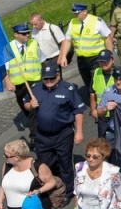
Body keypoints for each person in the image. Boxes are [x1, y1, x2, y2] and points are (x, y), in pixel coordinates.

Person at [24, 63, 86, 197]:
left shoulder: (68, 89)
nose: (49, 81)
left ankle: (68, 192)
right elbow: (26, 103)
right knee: (45, 164)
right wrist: (30, 105)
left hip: (63, 134)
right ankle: (49, 188)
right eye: (46, 79)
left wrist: (79, 131)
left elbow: (78, 111)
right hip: (42, 135)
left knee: (65, 164)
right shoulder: (35, 88)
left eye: (52, 78)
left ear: (58, 76)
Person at [62, 3, 113, 95]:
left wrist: (110, 55)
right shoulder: (72, 22)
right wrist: (63, 56)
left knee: (96, 82)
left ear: (85, 12)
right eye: (74, 13)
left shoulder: (97, 21)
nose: (75, 15)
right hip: (81, 59)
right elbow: (67, 40)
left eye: (78, 13)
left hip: (96, 58)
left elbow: (107, 38)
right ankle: (94, 103)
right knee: (88, 82)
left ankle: (100, 103)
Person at [3, 23, 42, 133]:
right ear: (16, 34)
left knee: (35, 106)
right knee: (26, 107)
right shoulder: (8, 48)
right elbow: (5, 67)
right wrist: (8, 82)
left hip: (35, 81)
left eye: (28, 33)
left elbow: (43, 61)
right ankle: (36, 126)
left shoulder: (34, 44)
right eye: (24, 34)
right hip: (19, 84)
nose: (27, 35)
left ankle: (35, 134)